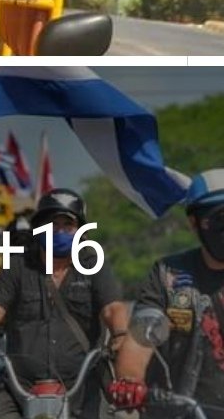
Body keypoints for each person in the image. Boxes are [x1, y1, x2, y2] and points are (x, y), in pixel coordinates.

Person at [0, 188, 128, 419]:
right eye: (52, 224)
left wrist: (120, 335)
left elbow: (113, 307)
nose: (59, 231)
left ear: (80, 231)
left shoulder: (93, 263)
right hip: (20, 390)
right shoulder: (17, 265)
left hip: (82, 388)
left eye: (67, 225)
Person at [110, 169, 224, 416]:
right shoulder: (169, 276)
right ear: (194, 223)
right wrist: (130, 381)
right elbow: (143, 335)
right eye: (219, 218)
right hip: (179, 410)